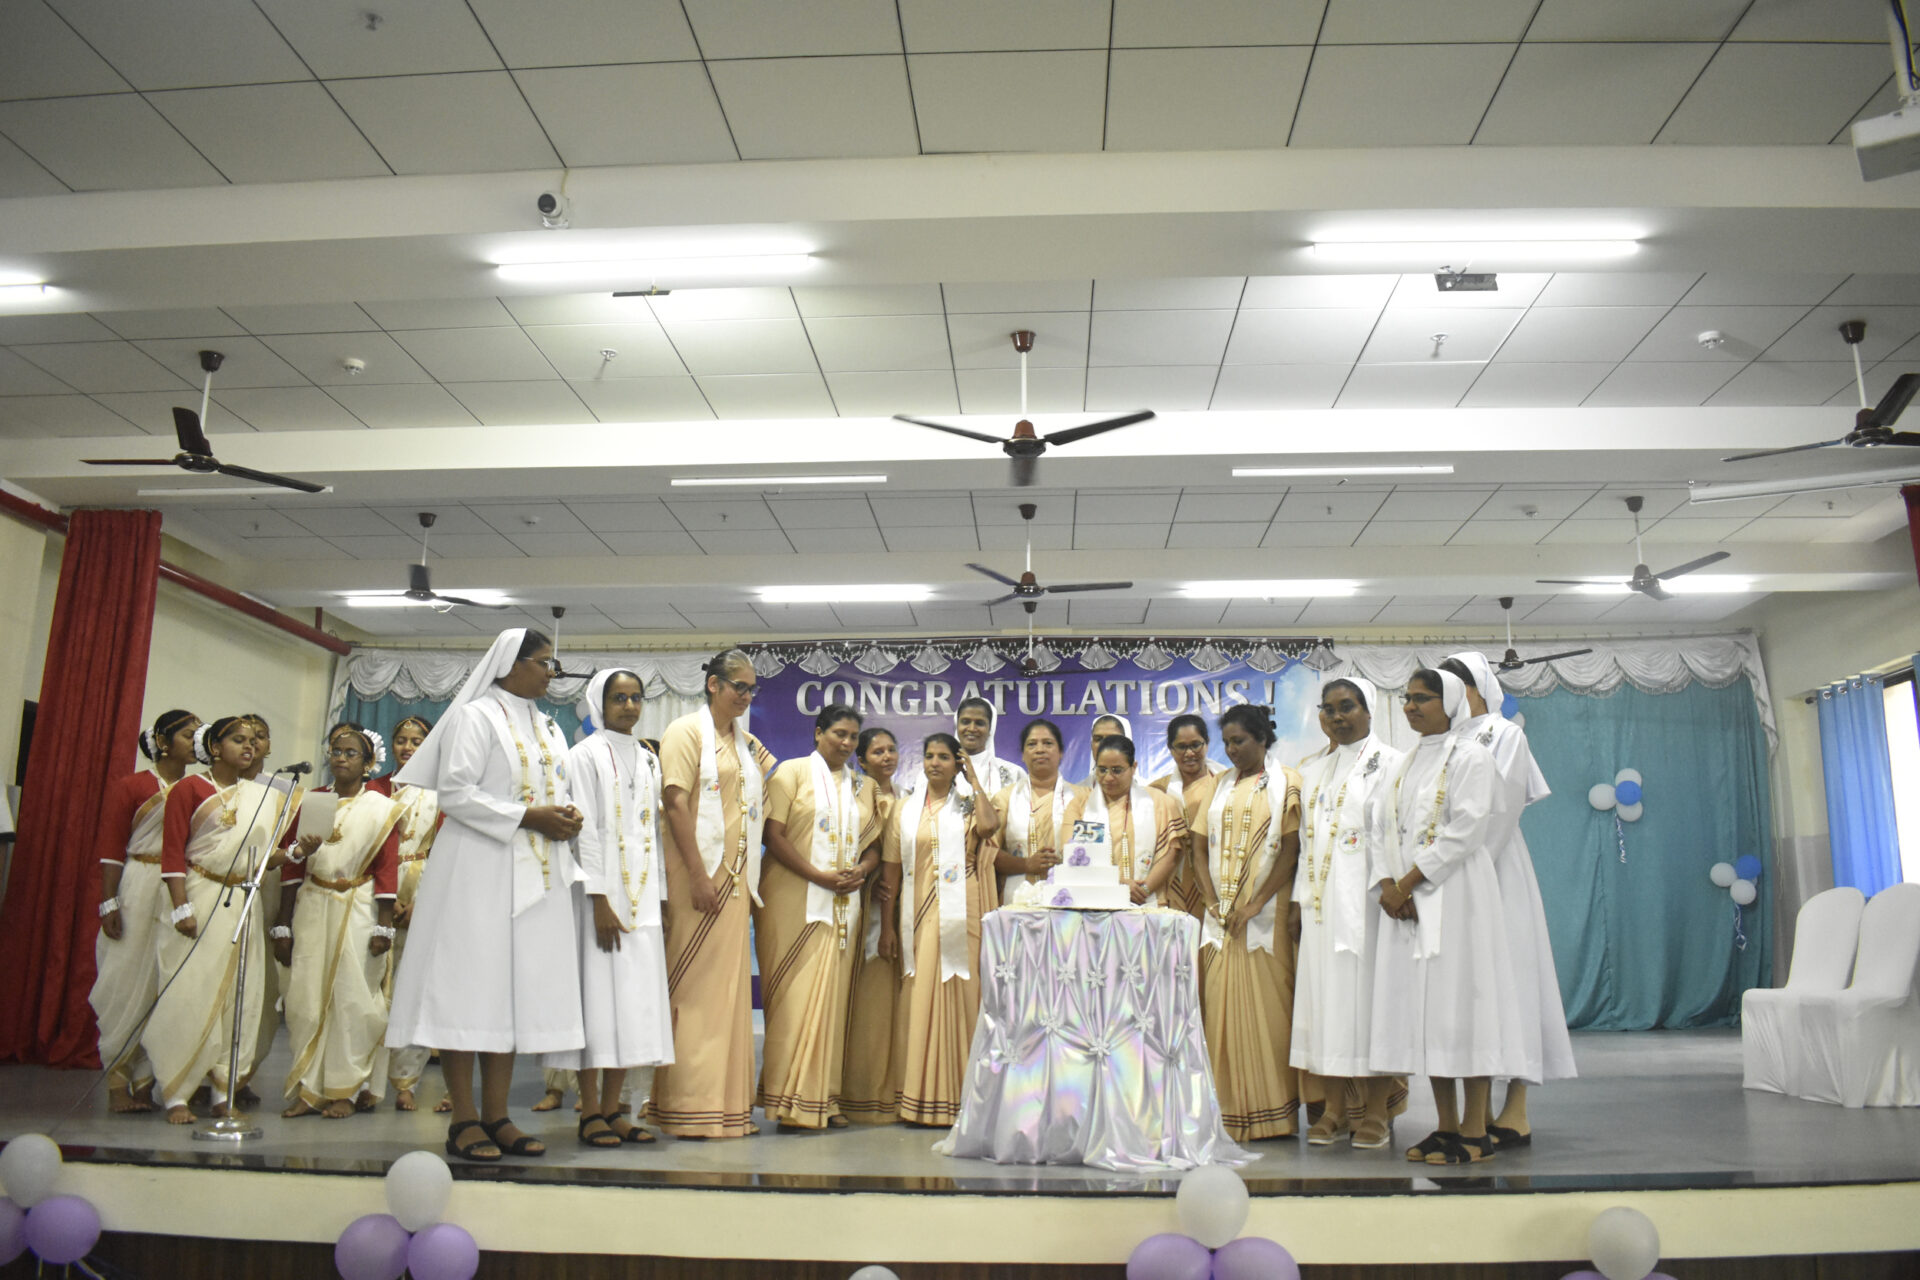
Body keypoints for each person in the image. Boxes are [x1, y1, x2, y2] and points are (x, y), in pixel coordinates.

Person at [386, 628, 586, 1163]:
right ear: (510, 664)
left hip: (533, 874)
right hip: (477, 871)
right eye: (545, 662)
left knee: (507, 996)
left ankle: (497, 1116)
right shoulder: (475, 717)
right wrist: (529, 816)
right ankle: (463, 1119)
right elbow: (455, 793)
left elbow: (555, 789)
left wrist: (567, 814)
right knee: (466, 992)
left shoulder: (548, 725)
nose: (552, 672)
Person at [1369, 669, 1525, 1166]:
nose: (1410, 707)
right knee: (1431, 1014)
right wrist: (1389, 884)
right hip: (1410, 904)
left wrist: (1410, 881)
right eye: (1407, 698)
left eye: (1422, 698)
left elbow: (1468, 829)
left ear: (1451, 702)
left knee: (1466, 1006)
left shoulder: (1473, 756)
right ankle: (1446, 1125)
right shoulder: (1405, 761)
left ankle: (1476, 1130)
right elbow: (1380, 828)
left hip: (1458, 896)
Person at [1441, 651, 1576, 1151]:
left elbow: (1500, 812)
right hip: (1450, 871)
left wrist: (1462, 868)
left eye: (1456, 684)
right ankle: (1469, 1111)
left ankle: (1516, 1107)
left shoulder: (1505, 734)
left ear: (1478, 688)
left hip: (1494, 868)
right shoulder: (1442, 740)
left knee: (1515, 979)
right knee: (1468, 989)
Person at [649, 648, 777, 1139]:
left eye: (751, 689)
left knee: (728, 996)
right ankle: (686, 1105)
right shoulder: (685, 732)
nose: (746, 696)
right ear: (713, 685)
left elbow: (766, 797)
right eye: (738, 687)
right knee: (694, 991)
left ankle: (727, 1109)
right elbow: (675, 803)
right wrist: (699, 875)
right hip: (697, 879)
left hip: (736, 882)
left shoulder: (747, 743)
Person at [145, 716, 292, 1124]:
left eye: (252, 741)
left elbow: (264, 859)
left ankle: (222, 1091)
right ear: (214, 748)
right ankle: (176, 1092)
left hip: (242, 901)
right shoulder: (190, 789)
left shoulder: (262, 797)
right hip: (199, 894)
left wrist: (296, 852)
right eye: (237, 740)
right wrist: (180, 906)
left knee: (239, 996)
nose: (248, 747)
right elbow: (172, 853)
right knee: (188, 994)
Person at [550, 669, 672, 1148]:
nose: (629, 706)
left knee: (632, 1008)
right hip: (598, 900)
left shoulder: (648, 758)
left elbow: (653, 836)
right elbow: (585, 832)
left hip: (641, 902)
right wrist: (598, 899)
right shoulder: (583, 755)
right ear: (599, 703)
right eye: (619, 698)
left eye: (636, 697)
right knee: (597, 1006)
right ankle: (589, 1112)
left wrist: (661, 900)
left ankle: (613, 1109)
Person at [1290, 678, 1404, 1150]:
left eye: (1347, 706)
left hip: (1372, 910)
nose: (1337, 716)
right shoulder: (1313, 770)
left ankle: (1376, 1112)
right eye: (1329, 709)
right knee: (1327, 1008)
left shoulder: (1393, 764)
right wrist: (1298, 903)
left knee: (1374, 1008)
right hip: (1321, 911)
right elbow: (1305, 846)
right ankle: (1334, 1111)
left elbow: (1394, 836)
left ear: (1368, 710)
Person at [756, 704, 883, 1130]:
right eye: (838, 734)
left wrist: (861, 871)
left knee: (833, 1001)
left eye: (852, 737)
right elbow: (773, 835)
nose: (846, 743)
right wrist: (818, 876)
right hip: (792, 898)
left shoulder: (863, 785)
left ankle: (824, 1099)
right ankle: (787, 1102)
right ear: (817, 733)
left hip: (844, 903)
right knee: (792, 1000)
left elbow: (874, 845)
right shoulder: (790, 773)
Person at [274, 723, 400, 1119]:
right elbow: (292, 865)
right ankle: (309, 1089)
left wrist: (384, 925)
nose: (341, 758)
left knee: (352, 1000)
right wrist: (282, 923)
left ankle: (346, 1089)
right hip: (313, 904)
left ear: (368, 764)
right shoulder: (313, 800)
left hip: (358, 906)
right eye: (336, 751)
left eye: (350, 753)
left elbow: (386, 868)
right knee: (306, 1000)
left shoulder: (381, 807)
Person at [1188, 703, 1302, 1142]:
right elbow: (1198, 846)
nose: (1232, 750)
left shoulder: (1287, 782)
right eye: (1228, 742)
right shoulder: (1219, 785)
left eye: (1240, 741)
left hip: (1266, 917)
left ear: (1262, 739)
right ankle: (1228, 1112)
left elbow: (1290, 850)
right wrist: (1210, 899)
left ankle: (1276, 1114)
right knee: (1219, 1008)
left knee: (1271, 1014)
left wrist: (1255, 904)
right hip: (1221, 920)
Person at [879, 733, 1002, 1126]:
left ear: (957, 763)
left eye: (944, 757)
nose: (935, 763)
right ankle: (921, 1096)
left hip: (963, 908)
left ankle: (963, 1095)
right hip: (917, 910)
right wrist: (887, 928)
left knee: (962, 991)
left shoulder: (969, 805)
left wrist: (974, 781)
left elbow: (990, 827)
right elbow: (890, 875)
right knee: (922, 991)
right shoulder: (904, 809)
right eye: (929, 756)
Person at [92, 709, 199, 1114]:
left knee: (164, 981)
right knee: (125, 979)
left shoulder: (197, 788)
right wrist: (109, 902)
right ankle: (117, 1081)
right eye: (188, 735)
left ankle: (147, 1081)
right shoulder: (133, 786)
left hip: (180, 886)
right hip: (138, 883)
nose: (196, 741)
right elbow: (111, 848)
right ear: (164, 742)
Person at [371, 715, 446, 1112]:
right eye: (401, 740)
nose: (408, 747)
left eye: (417, 741)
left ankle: (405, 1082)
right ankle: (363, 1079)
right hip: (374, 888)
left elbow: (447, 849)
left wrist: (422, 901)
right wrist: (386, 896)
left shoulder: (442, 791)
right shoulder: (376, 789)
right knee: (369, 985)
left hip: (425, 885)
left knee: (412, 987)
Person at [841, 727, 906, 1124]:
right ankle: (860, 1092)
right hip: (863, 904)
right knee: (866, 997)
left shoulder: (908, 798)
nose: (886, 756)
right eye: (877, 751)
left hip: (900, 906)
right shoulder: (854, 797)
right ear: (861, 760)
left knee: (894, 999)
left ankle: (894, 1090)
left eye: (891, 749)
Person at [1062, 735, 1185, 905]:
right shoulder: (1080, 805)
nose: (1108, 777)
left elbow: (1171, 854)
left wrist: (1144, 890)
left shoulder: (1159, 801)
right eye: (1102, 770)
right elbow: (1072, 854)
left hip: (1148, 902)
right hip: (1095, 903)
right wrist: (1117, 884)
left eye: (1117, 770)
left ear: (1133, 767)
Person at [991, 719, 1084, 898]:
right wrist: (1026, 864)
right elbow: (989, 853)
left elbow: (1095, 850)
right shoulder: (1004, 799)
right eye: (1032, 744)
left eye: (1048, 743)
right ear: (1023, 755)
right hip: (1016, 898)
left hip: (1070, 898)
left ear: (1061, 752)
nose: (1040, 749)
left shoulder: (1081, 797)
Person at [1149, 714, 1222, 917]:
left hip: (1217, 878)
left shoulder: (1225, 785)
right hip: (1173, 882)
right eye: (1181, 747)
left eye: (1196, 745)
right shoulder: (1157, 791)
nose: (1189, 753)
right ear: (1170, 749)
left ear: (1207, 743)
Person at [954, 697, 1025, 795]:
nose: (972, 728)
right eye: (965, 722)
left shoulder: (1013, 773)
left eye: (979, 723)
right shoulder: (939, 770)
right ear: (957, 726)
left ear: (990, 729)